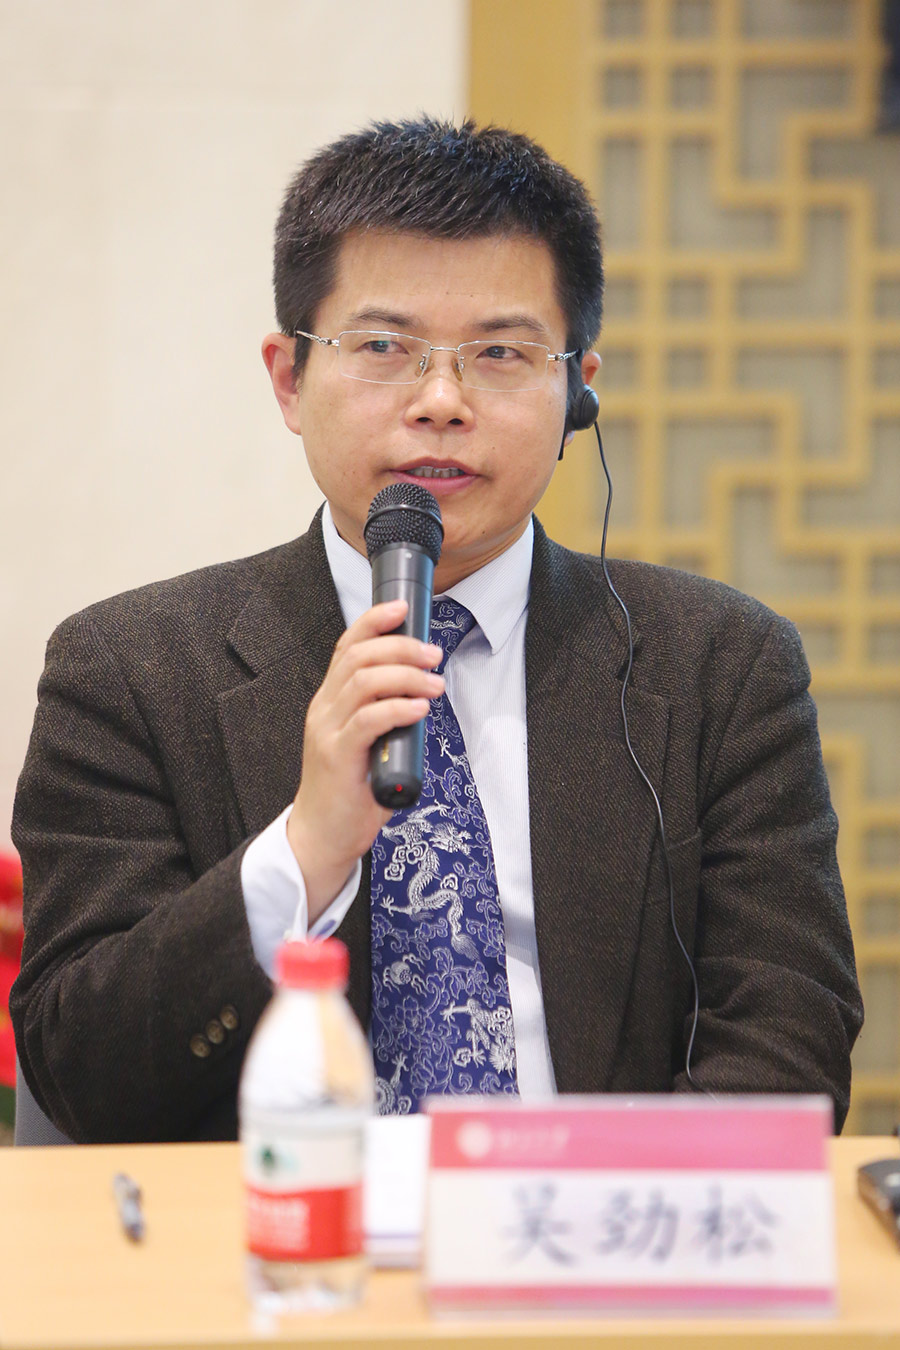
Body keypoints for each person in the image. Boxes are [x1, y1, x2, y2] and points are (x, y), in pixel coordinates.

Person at [11, 118, 862, 1143]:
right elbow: (81, 1072)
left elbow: (787, 1047)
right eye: (383, 348)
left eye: (500, 353)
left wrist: (571, 1217)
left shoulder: (722, 665)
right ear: (288, 378)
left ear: (579, 388)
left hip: (595, 1227)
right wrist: (307, 847)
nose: (442, 401)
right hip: (273, 1231)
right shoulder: (130, 669)